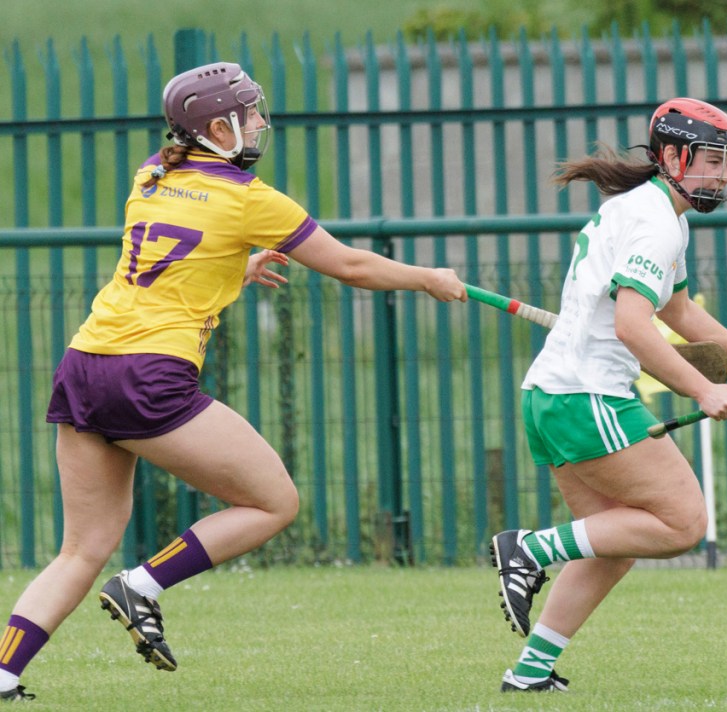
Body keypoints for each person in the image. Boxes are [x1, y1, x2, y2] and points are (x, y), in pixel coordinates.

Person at [0, 61, 465, 702]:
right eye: (248, 115)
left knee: (79, 549)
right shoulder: (249, 198)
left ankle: (2, 673)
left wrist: (232, 268)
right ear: (217, 129)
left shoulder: (152, 174)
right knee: (273, 504)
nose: (259, 123)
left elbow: (167, 257)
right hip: (149, 374)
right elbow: (351, 266)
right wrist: (428, 278)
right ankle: (142, 585)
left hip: (85, 364)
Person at [489, 98, 727, 692]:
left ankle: (529, 673)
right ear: (674, 158)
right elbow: (633, 326)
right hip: (589, 398)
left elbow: (678, 311)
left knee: (613, 542)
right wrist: (704, 389)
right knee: (682, 523)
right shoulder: (655, 222)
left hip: (553, 396)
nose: (721, 176)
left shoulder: (657, 213)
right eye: (711, 161)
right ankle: (531, 547)